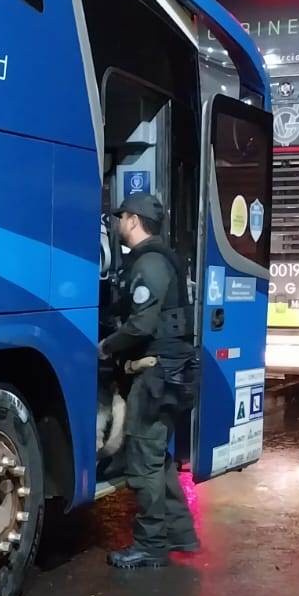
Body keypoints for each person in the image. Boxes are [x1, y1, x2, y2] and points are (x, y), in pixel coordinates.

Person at [99, 194, 200, 568]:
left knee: (143, 464)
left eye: (121, 216)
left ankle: (151, 544)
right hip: (170, 374)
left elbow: (141, 323)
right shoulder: (162, 259)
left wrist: (106, 347)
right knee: (159, 461)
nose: (117, 222)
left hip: (156, 376)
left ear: (134, 220)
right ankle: (181, 535)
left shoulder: (150, 263)